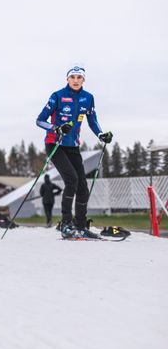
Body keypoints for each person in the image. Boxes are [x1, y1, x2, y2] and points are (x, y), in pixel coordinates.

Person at [36, 65, 113, 239]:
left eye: (79, 77)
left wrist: (101, 135)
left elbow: (92, 120)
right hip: (55, 144)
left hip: (73, 146)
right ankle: (66, 224)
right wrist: (56, 128)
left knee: (83, 188)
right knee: (72, 179)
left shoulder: (88, 98)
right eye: (73, 77)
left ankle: (80, 225)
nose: (76, 80)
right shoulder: (57, 96)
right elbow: (40, 120)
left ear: (83, 80)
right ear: (67, 79)